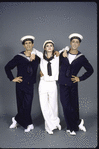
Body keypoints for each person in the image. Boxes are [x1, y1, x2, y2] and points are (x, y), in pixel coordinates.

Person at [58, 33, 94, 135]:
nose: (74, 44)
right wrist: (42, 72)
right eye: (73, 41)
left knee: (73, 106)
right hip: (63, 83)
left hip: (73, 84)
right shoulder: (63, 54)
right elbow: (53, 61)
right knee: (66, 106)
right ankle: (76, 124)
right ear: (70, 43)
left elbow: (90, 70)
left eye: (77, 42)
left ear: (79, 44)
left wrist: (80, 78)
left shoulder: (81, 57)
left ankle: (71, 127)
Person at [31, 40, 69, 134]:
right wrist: (32, 53)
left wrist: (64, 51)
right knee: (44, 106)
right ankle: (48, 126)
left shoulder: (56, 56)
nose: (49, 47)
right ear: (44, 48)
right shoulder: (41, 56)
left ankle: (55, 122)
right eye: (47, 46)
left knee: (53, 105)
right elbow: (34, 50)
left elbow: (67, 47)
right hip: (43, 83)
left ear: (53, 48)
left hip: (52, 83)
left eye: (51, 45)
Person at [5, 35, 40, 132]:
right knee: (21, 104)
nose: (28, 45)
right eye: (26, 43)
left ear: (33, 44)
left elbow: (47, 61)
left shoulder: (37, 57)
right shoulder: (19, 57)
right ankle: (28, 123)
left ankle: (16, 119)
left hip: (30, 85)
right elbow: (7, 67)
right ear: (24, 46)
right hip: (20, 84)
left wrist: (42, 73)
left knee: (27, 104)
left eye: (30, 43)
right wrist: (12, 78)